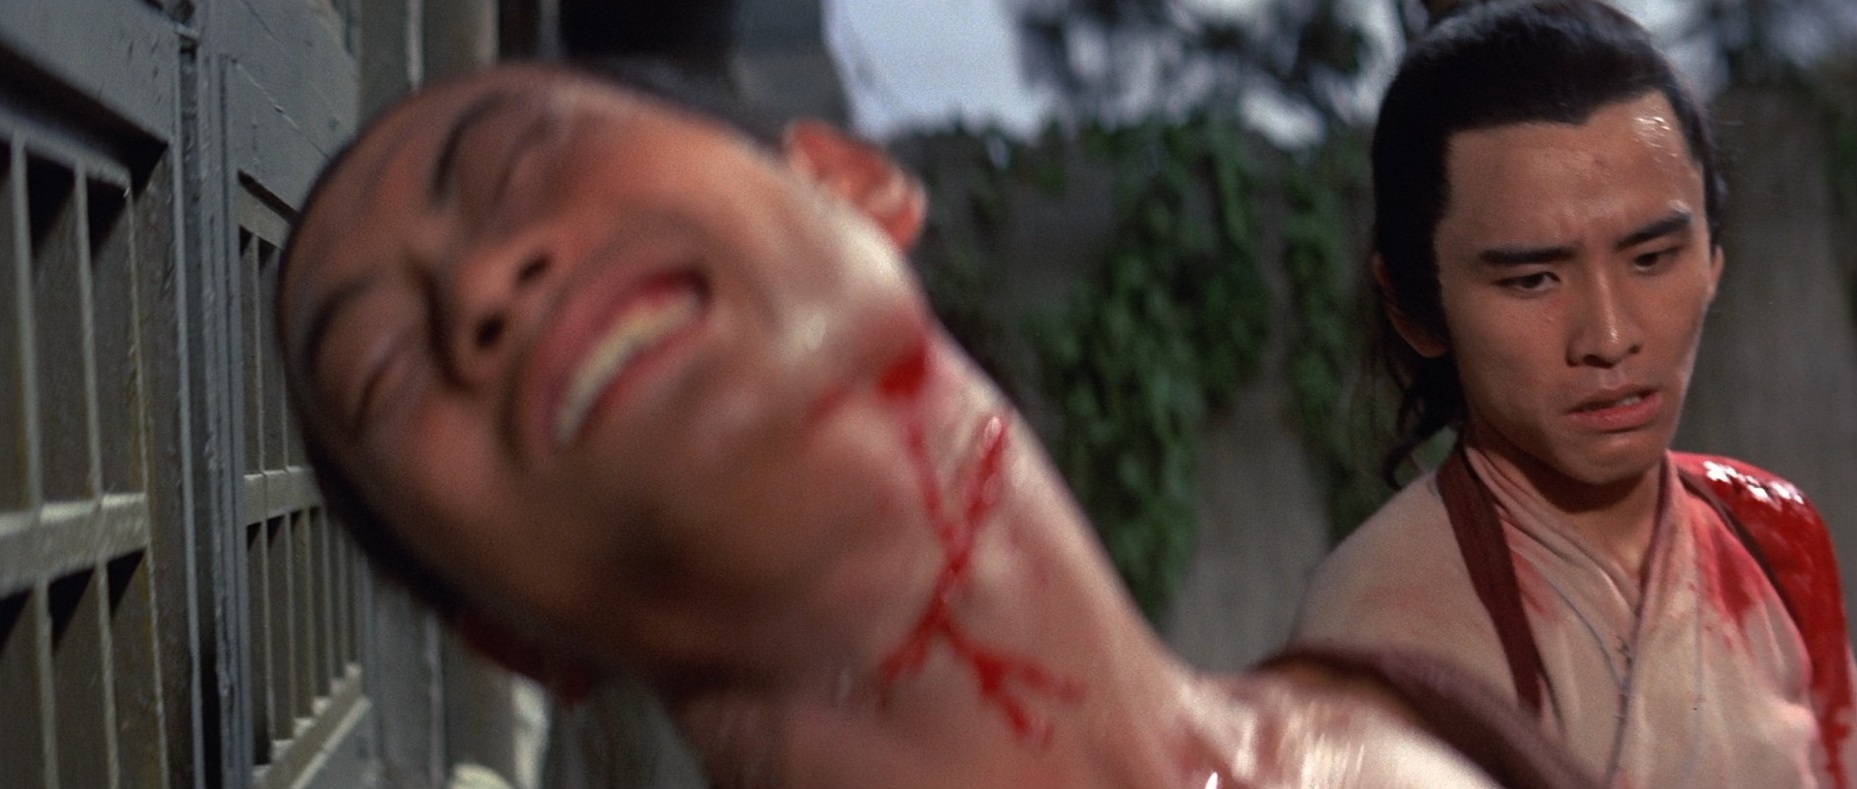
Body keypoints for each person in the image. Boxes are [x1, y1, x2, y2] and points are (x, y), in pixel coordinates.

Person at [277, 62, 1595, 789]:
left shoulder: (1418, 725)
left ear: (851, 186)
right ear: (512, 636)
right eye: (384, 372)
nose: (475, 290)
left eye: (514, 164)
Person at [1291, 2, 1857, 788]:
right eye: (1532, 279)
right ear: (1414, 308)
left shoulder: (1769, 534)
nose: (1609, 335)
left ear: (1713, 259)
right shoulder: (1383, 628)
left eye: (1651, 258)